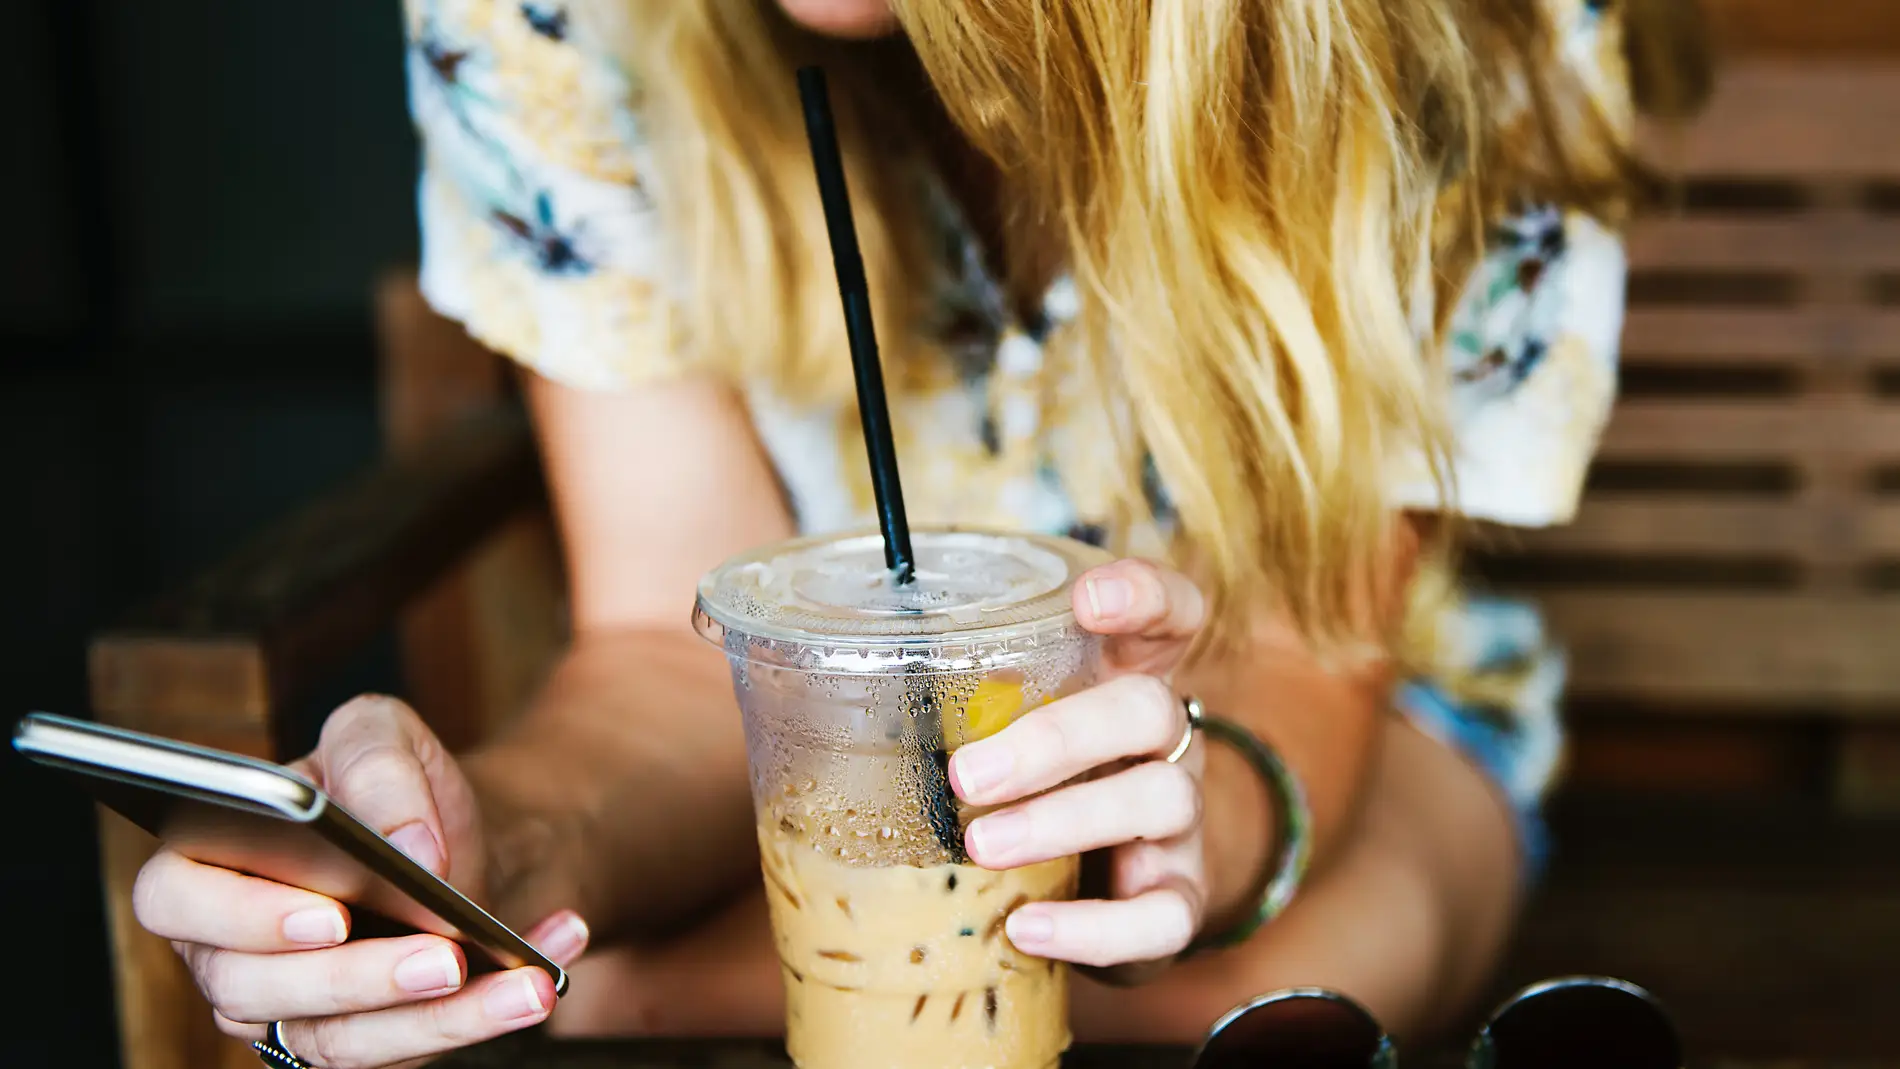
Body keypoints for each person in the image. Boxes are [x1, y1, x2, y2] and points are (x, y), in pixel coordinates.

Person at [130, 1, 1710, 1066]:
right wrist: (489, 863)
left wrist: (1191, 828)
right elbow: (665, 665)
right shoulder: (558, 19)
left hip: (1338, 712)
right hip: (831, 765)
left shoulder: (1462, 29)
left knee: (1242, 991)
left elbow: (1310, 652)